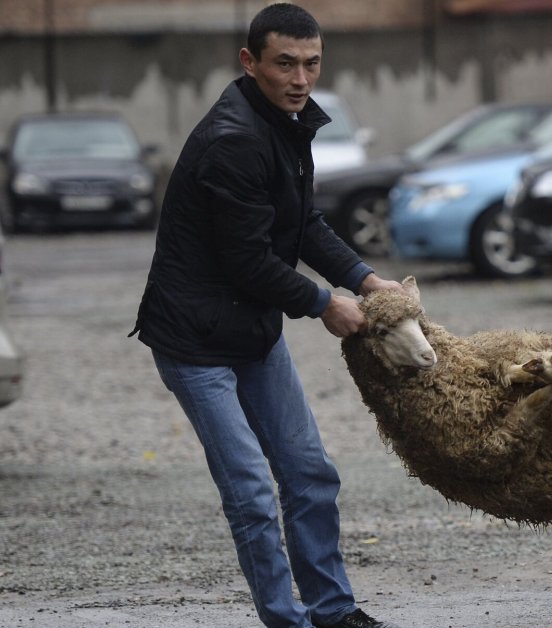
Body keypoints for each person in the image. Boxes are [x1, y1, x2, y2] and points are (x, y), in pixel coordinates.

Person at [130, 4, 402, 627]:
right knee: (252, 493)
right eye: (285, 64)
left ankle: (332, 612)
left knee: (310, 474)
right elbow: (248, 260)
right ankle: (288, 620)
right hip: (195, 341)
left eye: (311, 64)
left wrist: (363, 278)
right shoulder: (234, 140)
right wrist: (324, 303)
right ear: (250, 63)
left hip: (251, 331)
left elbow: (301, 224)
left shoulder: (288, 122)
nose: (300, 79)